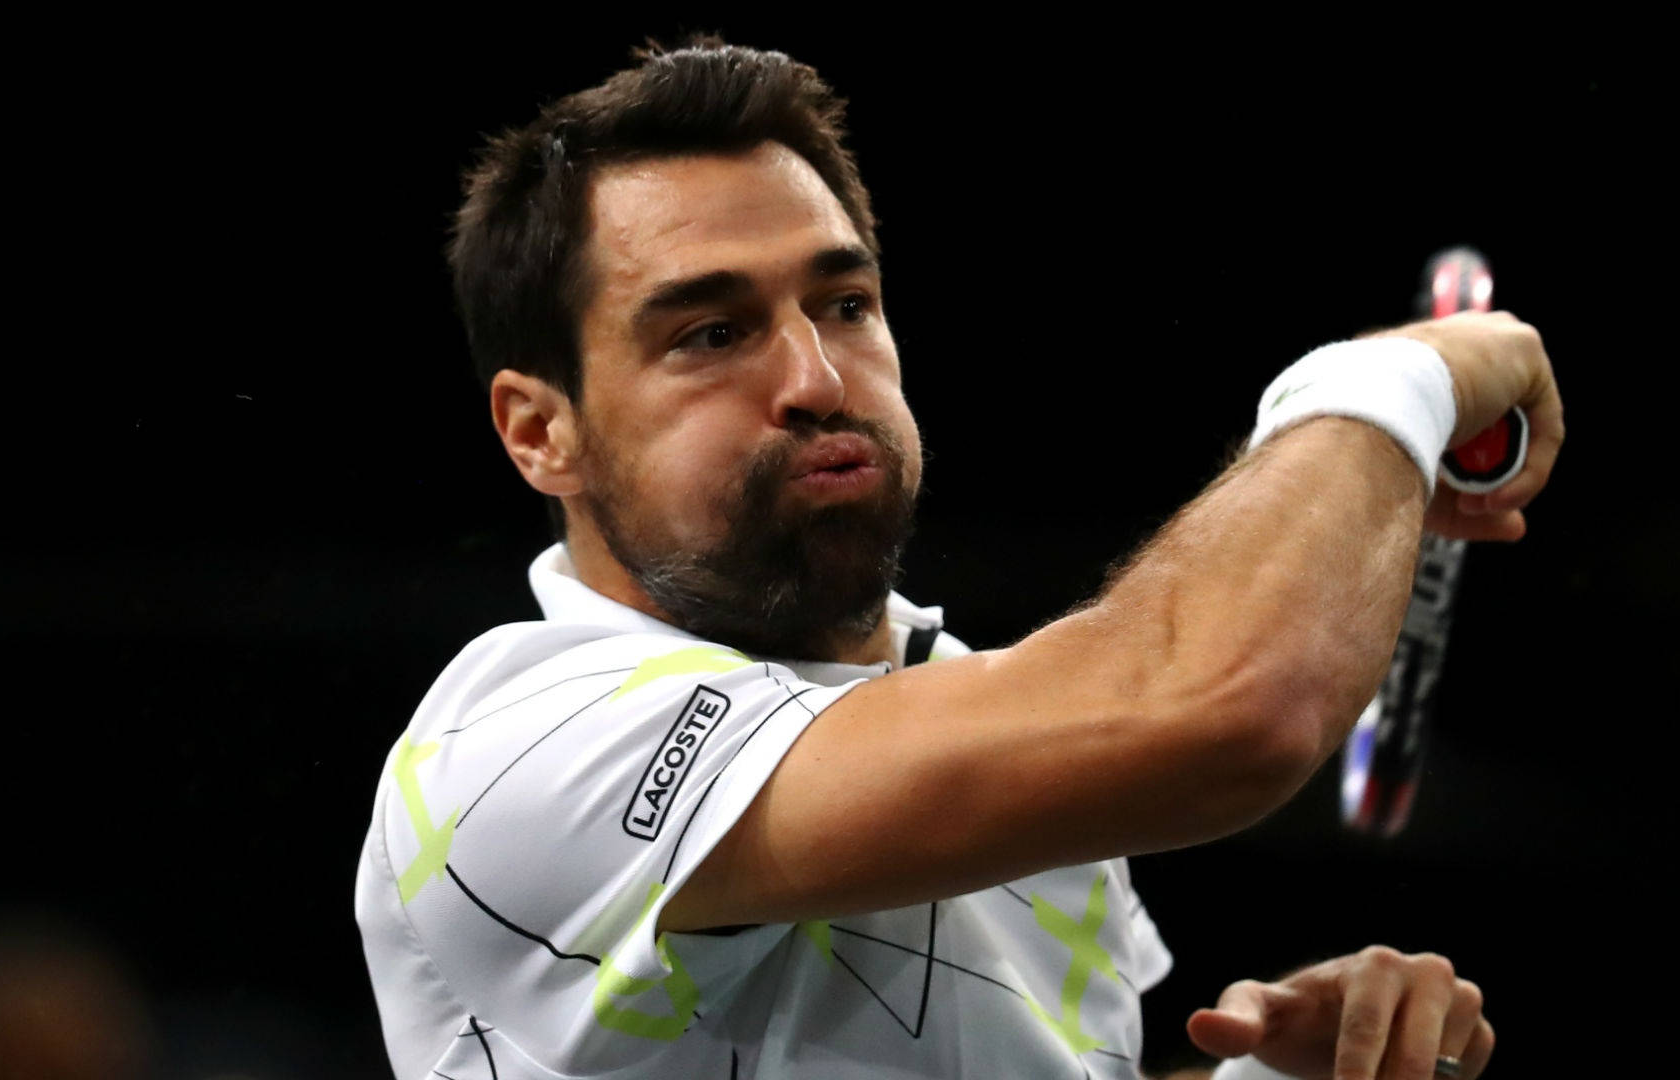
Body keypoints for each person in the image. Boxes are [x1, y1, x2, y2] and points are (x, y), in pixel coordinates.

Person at [355, 35, 1561, 1080]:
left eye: (844, 304)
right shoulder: (513, 752)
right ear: (540, 429)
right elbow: (1224, 706)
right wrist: (1388, 380)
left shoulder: (975, 707)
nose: (817, 381)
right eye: (712, 333)